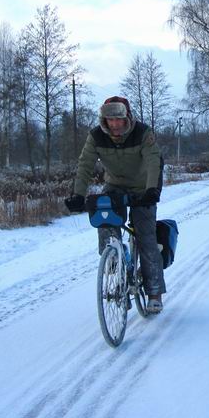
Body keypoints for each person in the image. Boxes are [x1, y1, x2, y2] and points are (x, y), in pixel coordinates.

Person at [65, 96, 166, 314]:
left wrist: (152, 190)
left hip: (142, 188)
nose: (115, 124)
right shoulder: (96, 136)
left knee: (146, 236)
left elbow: (153, 161)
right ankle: (115, 265)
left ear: (127, 117)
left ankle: (154, 292)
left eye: (118, 119)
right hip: (114, 186)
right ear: (104, 120)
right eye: (110, 120)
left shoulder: (143, 133)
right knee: (105, 222)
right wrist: (78, 195)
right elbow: (85, 165)